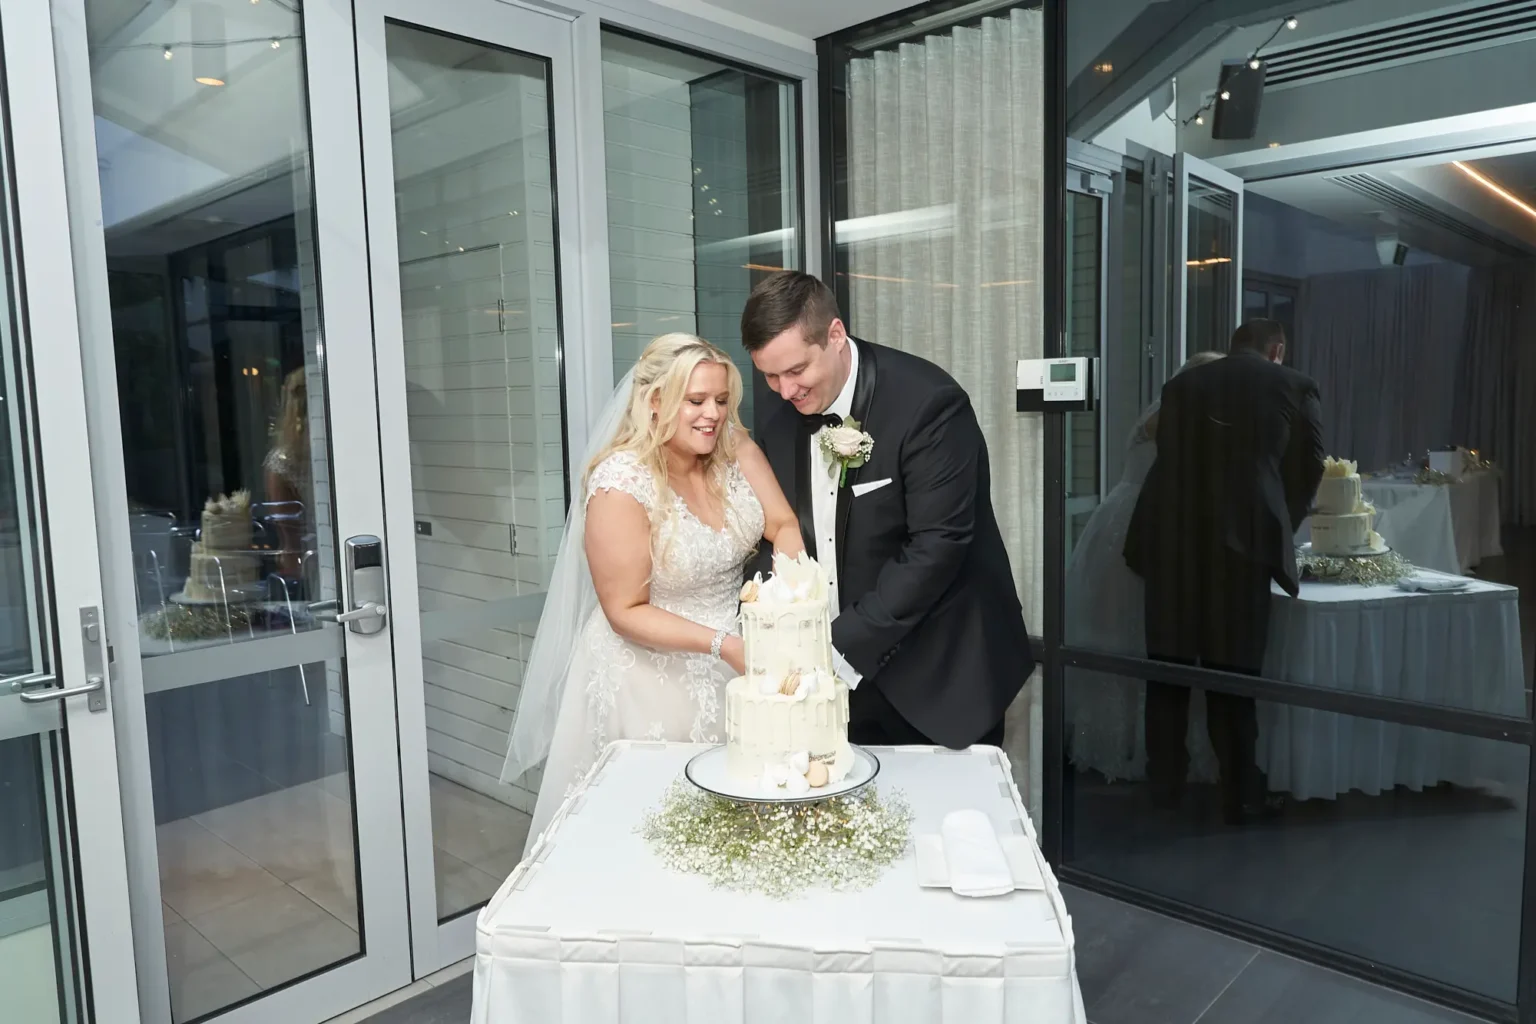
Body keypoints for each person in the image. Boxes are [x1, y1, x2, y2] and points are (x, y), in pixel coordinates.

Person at [501, 334, 803, 847]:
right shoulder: (621, 484)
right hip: (646, 678)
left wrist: (794, 599)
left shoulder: (733, 449)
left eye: (723, 401)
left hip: (737, 666)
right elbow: (624, 609)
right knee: (657, 832)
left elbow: (783, 522)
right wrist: (724, 645)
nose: (713, 414)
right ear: (655, 401)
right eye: (697, 400)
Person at [741, 271, 1032, 749]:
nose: (785, 390)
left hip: (938, 675)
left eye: (796, 370)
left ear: (835, 336)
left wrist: (835, 646)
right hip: (829, 685)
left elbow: (938, 546)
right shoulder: (778, 417)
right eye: (770, 375)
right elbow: (778, 526)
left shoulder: (928, 404)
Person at [1124, 320, 1324, 824]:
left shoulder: (1182, 385)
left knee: (1167, 671)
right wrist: (1280, 519)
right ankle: (1239, 790)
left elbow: (1171, 459)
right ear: (1276, 349)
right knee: (1234, 673)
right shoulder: (1295, 385)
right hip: (1242, 549)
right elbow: (1312, 464)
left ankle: (1164, 785)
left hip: (1171, 541)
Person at [1065, 351, 1224, 783]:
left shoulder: (1167, 412)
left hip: (1130, 521)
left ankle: (1141, 744)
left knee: (1133, 630)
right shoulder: (1170, 417)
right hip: (1142, 528)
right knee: (1129, 630)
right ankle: (1130, 744)